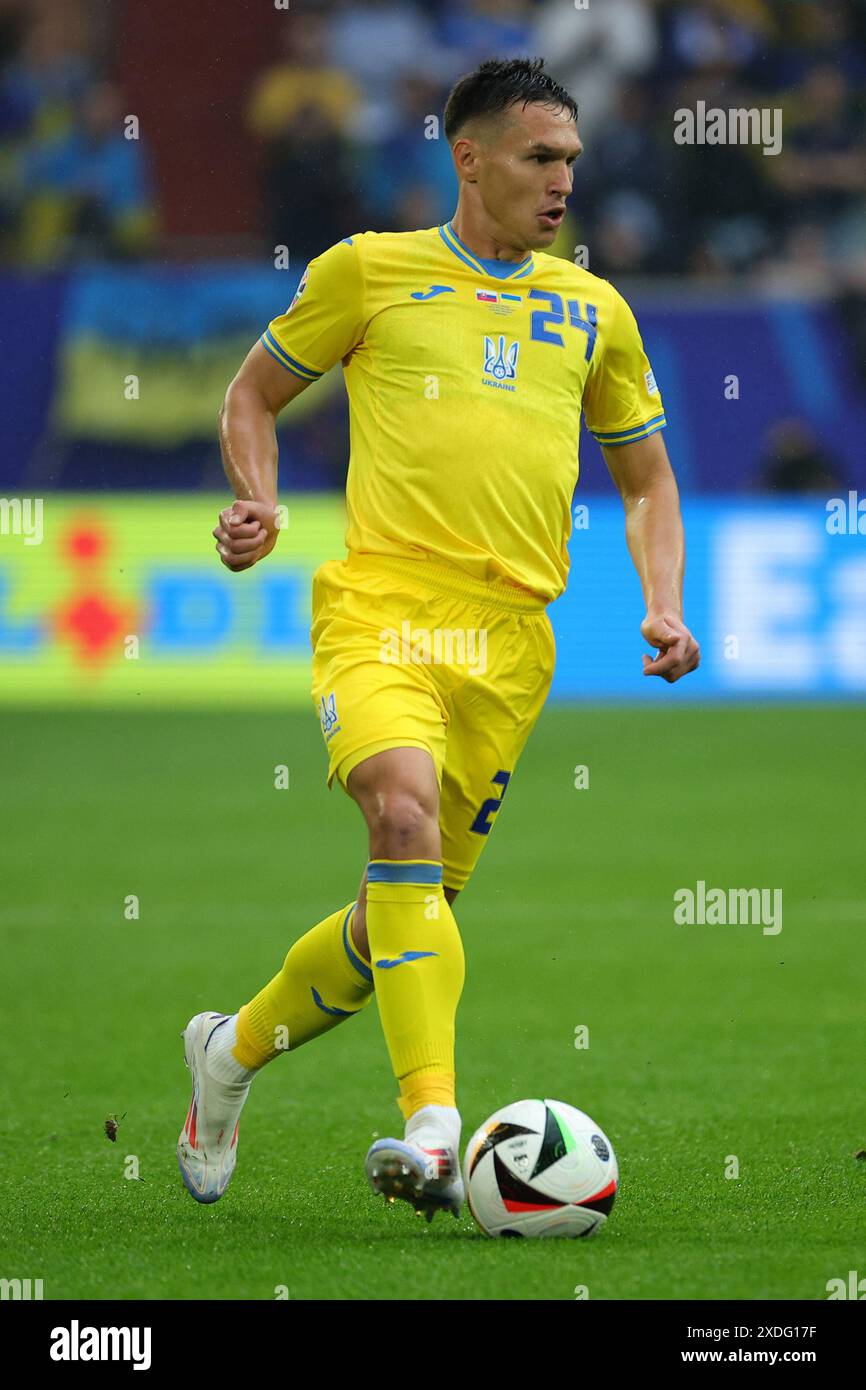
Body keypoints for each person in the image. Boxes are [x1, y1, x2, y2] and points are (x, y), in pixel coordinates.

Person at [178, 57, 699, 1220]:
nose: (561, 180)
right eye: (536, 158)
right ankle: (433, 1128)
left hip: (510, 643)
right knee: (397, 811)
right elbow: (251, 394)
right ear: (467, 159)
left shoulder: (594, 310)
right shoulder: (369, 270)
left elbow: (648, 480)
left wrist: (660, 602)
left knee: (396, 915)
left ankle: (227, 1053)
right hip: (381, 604)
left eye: (569, 159)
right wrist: (255, 497)